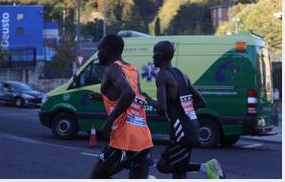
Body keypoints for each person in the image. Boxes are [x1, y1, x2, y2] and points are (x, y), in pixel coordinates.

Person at [142, 40, 225, 179]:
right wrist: (183, 111)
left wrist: (148, 99)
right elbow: (201, 101)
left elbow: (162, 108)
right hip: (191, 125)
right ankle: (205, 168)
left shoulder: (162, 75)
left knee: (173, 169)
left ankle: (207, 168)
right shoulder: (182, 75)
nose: (152, 58)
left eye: (154, 55)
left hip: (180, 130)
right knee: (169, 168)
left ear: (160, 56)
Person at [89, 34, 154, 179]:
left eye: (99, 49)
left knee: (97, 176)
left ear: (107, 49)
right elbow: (135, 98)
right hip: (142, 135)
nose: (98, 53)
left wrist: (109, 121)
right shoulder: (132, 70)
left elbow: (129, 94)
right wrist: (103, 98)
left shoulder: (112, 69)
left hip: (124, 136)